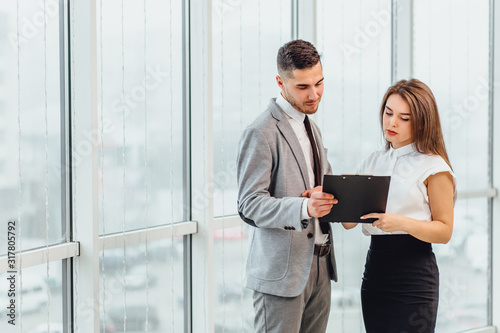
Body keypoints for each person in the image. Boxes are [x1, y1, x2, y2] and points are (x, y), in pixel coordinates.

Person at [237, 39, 338, 333]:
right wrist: (304, 206)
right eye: (303, 87)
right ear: (280, 82)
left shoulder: (312, 126)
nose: (314, 94)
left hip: (320, 266)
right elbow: (249, 205)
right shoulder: (261, 131)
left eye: (319, 83)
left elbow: (323, 186)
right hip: (282, 276)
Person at [343, 78, 456, 333]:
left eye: (404, 118)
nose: (392, 123)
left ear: (422, 122)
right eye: (388, 113)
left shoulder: (434, 167)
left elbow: (444, 231)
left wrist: (398, 222)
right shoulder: (374, 160)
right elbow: (349, 222)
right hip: (375, 274)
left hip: (413, 278)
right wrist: (332, 199)